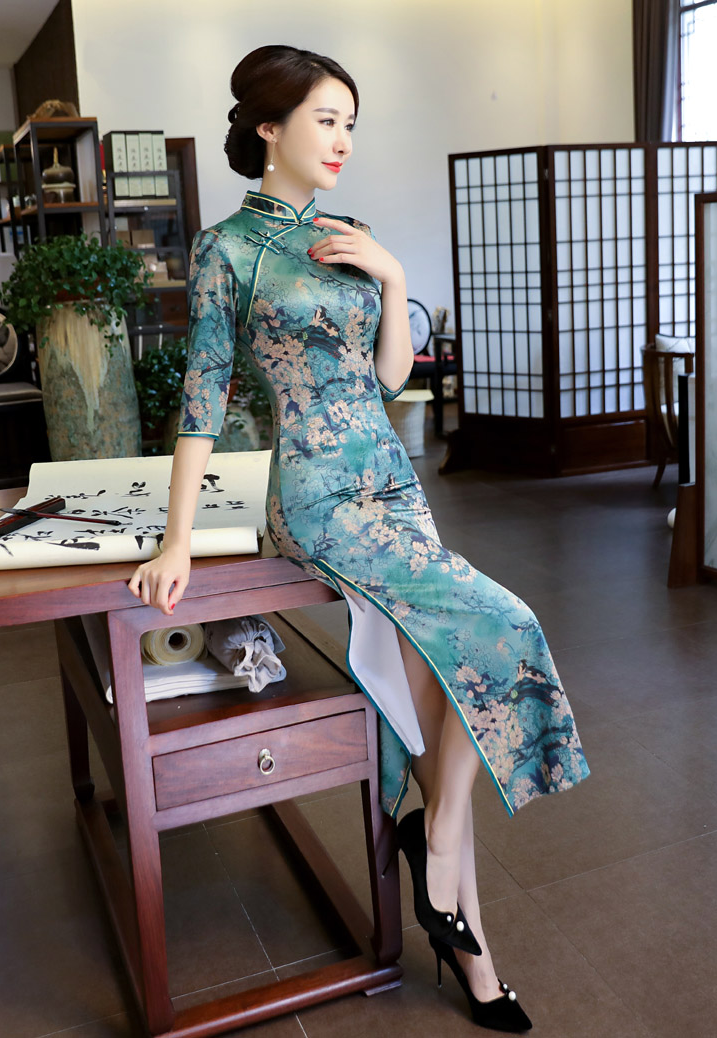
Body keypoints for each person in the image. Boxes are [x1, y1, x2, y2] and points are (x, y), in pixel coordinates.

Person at [128, 44, 590, 1032]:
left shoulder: (353, 235)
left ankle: (465, 934)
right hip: (318, 494)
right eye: (325, 120)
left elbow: (389, 379)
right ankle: (440, 847)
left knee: (442, 687)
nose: (342, 139)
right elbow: (202, 397)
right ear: (270, 128)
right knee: (505, 623)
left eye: (350, 123)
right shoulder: (227, 250)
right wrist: (176, 540)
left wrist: (391, 271)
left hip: (393, 483)